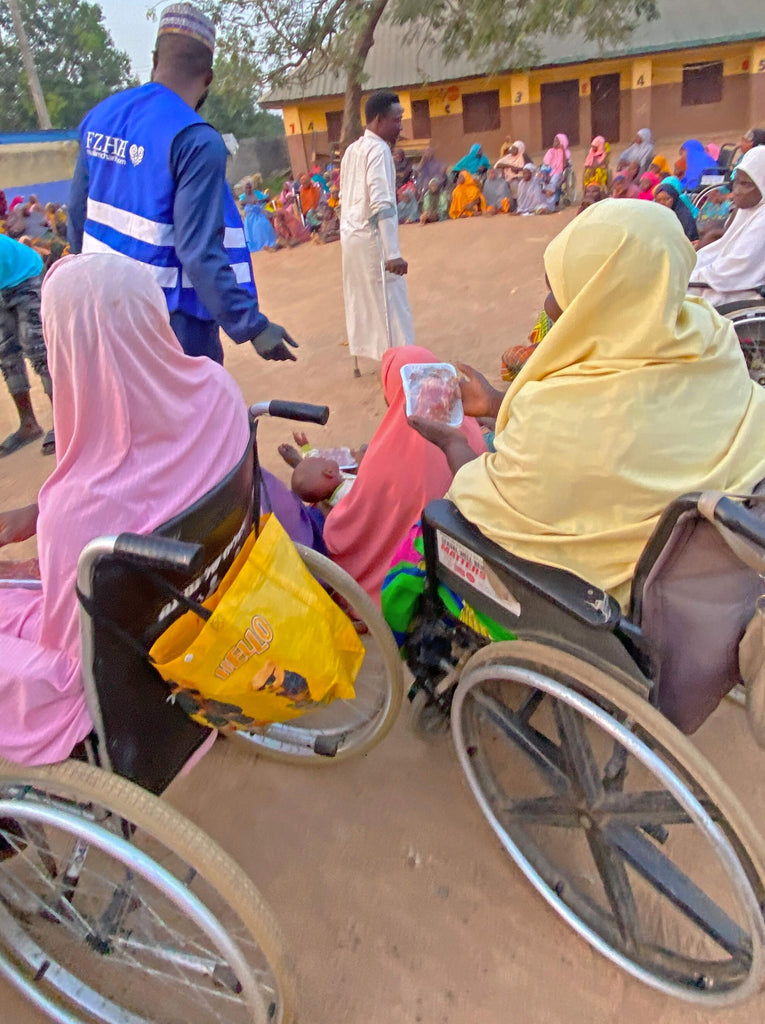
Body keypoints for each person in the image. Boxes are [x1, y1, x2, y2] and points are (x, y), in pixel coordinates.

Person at [396, 199, 765, 621]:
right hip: (721, 583)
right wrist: (498, 404)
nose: (549, 305)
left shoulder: (565, 418)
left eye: (558, 290)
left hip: (610, 612)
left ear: (596, 299)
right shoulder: (713, 341)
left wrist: (452, 443)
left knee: (425, 541)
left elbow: (486, 498)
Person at [0, 253, 252, 765]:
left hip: (123, 667)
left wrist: (42, 545)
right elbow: (156, 484)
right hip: (210, 598)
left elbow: (71, 653)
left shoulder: (83, 506)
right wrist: (42, 515)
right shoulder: (217, 389)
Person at [67, 3, 296, 366]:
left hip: (103, 311)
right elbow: (198, 250)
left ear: (155, 58)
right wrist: (251, 325)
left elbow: (77, 215)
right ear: (208, 78)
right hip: (170, 324)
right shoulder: (196, 139)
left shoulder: (101, 116)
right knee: (188, 420)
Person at [322, 346, 486, 604]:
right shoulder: (470, 429)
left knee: (332, 524)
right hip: (467, 563)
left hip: (410, 574)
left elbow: (356, 521)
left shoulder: (387, 454)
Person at [339, 90, 415, 364]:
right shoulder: (379, 149)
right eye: (397, 120)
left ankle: (377, 355)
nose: (401, 126)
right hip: (372, 239)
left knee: (363, 300)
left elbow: (344, 197)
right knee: (390, 300)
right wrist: (392, 252)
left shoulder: (351, 150)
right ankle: (401, 363)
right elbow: (382, 202)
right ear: (380, 120)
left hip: (351, 236)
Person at [689, 147, 765, 307]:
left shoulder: (762, 221)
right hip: (726, 282)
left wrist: (691, 277)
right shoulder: (749, 209)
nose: (736, 191)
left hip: (742, 291)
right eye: (735, 181)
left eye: (745, 184)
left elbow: (734, 268)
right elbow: (720, 248)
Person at [0, 235, 54, 458]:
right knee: (6, 353)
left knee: (37, 347)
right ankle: (28, 425)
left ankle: (66, 421)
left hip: (24, 275)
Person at [240, 179, 276, 253]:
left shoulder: (256, 193)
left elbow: (267, 198)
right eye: (247, 188)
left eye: (250, 187)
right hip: (250, 218)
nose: (249, 189)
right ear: (244, 189)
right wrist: (251, 202)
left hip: (258, 215)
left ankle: (267, 244)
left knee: (263, 225)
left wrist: (260, 200)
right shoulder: (243, 197)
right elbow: (242, 203)